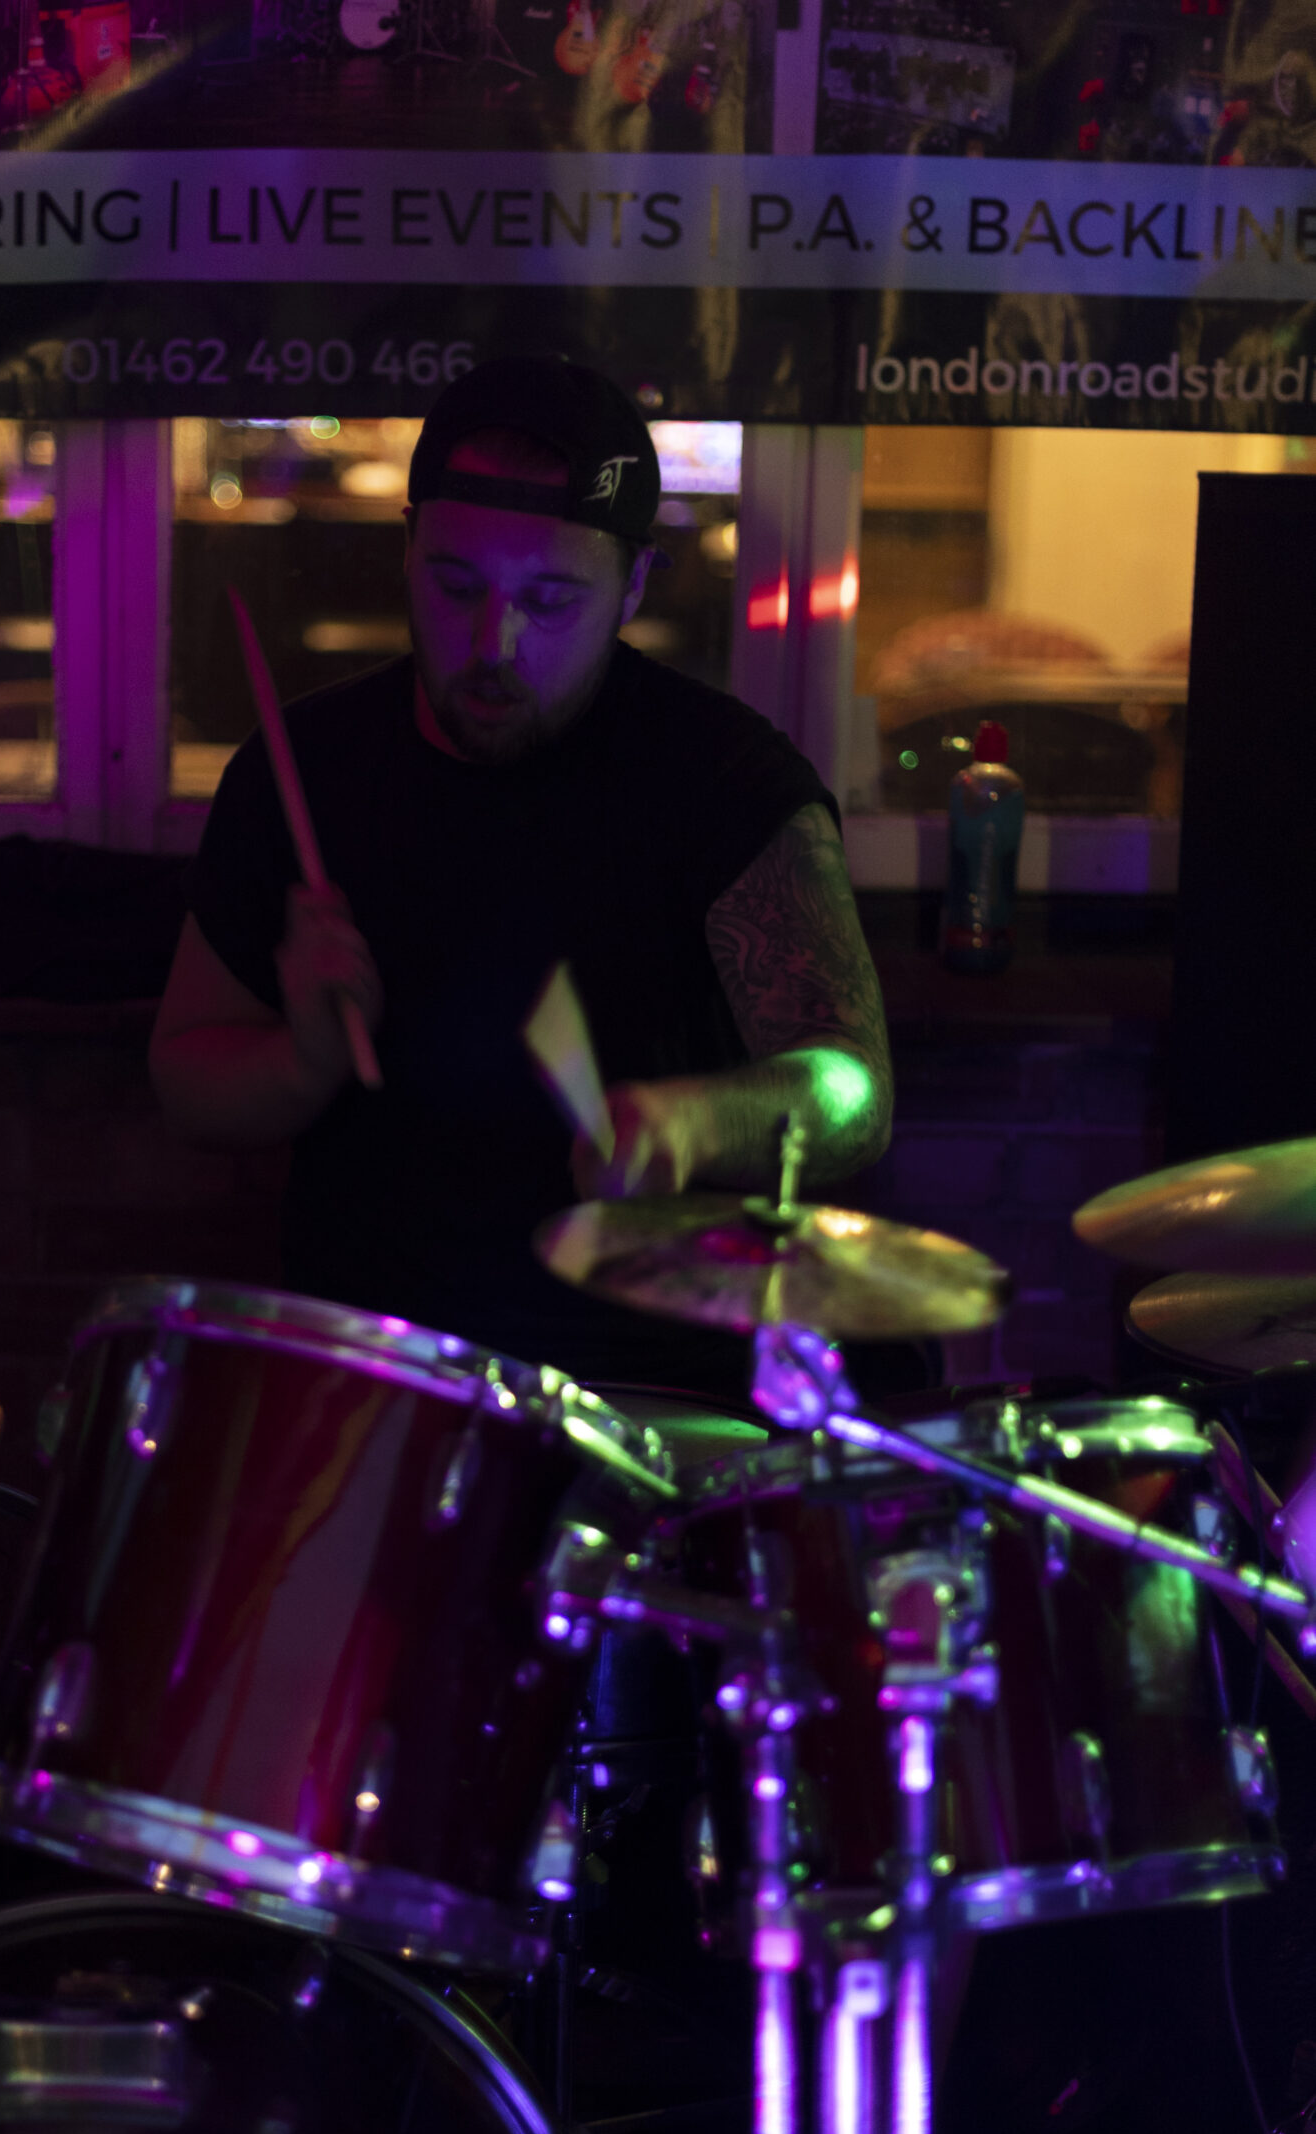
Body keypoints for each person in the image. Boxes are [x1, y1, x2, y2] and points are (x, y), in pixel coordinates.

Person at [150, 355, 892, 1401]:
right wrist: (302, 1058)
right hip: (372, 1382)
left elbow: (854, 1090)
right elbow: (186, 1082)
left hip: (649, 1401)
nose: (492, 644)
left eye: (549, 600)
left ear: (633, 586)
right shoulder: (303, 766)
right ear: (408, 549)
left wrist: (695, 1123)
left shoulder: (726, 781)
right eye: (457, 587)